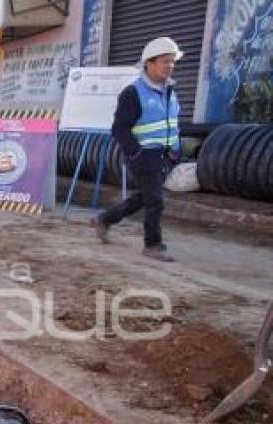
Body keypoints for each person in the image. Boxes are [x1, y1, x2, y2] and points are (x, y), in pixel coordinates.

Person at [91, 37, 183, 263]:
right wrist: (136, 154)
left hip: (165, 154)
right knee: (156, 201)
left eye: (172, 62)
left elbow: (172, 122)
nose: (169, 66)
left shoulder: (170, 91)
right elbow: (119, 129)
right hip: (144, 155)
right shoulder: (133, 93)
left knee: (145, 197)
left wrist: (175, 150)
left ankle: (105, 219)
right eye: (164, 61)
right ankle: (153, 245)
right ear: (149, 64)